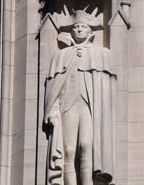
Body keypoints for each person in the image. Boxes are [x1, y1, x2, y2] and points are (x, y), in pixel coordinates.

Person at [44, 10, 115, 185]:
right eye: (76, 27)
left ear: (91, 33)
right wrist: (53, 110)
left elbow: (105, 89)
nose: (80, 30)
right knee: (68, 149)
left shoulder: (101, 53)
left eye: (83, 27)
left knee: (86, 145)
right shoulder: (61, 55)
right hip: (68, 104)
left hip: (89, 106)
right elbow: (54, 87)